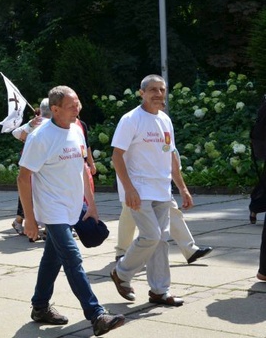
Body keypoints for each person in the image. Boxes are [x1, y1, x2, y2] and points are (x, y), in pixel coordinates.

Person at [18, 86, 125, 336]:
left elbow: (82, 171)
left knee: (52, 259)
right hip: (52, 209)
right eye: (71, 105)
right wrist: (30, 220)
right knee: (72, 258)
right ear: (54, 110)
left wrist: (92, 205)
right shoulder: (40, 137)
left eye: (78, 103)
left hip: (75, 206)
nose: (77, 108)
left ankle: (40, 307)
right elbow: (23, 178)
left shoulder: (77, 130)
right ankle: (96, 314)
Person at [110, 75, 192, 307]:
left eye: (162, 89)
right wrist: (129, 188)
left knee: (161, 241)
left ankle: (159, 291)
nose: (158, 94)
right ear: (142, 93)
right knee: (151, 236)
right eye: (153, 90)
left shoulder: (165, 120)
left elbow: (171, 156)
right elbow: (117, 155)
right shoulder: (131, 119)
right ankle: (122, 273)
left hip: (161, 189)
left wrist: (182, 188)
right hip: (139, 190)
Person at [11, 98, 51, 236]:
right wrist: (29, 125)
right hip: (32, 165)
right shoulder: (40, 123)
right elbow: (17, 134)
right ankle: (27, 222)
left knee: (33, 194)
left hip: (39, 166)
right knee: (29, 194)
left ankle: (42, 226)